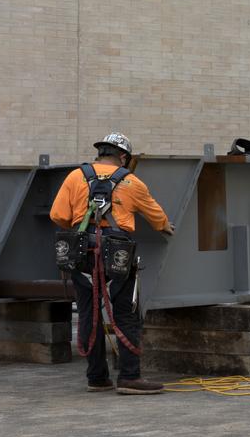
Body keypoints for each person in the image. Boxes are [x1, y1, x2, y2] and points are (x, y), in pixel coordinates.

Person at [50, 132, 174, 395]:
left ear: (100, 153)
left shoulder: (75, 177)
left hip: (81, 252)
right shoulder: (132, 182)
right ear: (124, 157)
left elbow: (58, 215)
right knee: (124, 314)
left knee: (88, 313)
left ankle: (97, 377)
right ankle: (129, 377)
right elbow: (158, 218)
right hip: (116, 253)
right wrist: (164, 226)